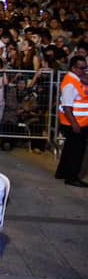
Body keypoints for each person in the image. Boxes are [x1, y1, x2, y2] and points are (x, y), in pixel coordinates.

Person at [54, 55, 88, 187]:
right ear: (73, 68)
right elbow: (67, 107)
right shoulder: (70, 84)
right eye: (81, 68)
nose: (84, 70)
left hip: (77, 122)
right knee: (76, 152)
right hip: (75, 123)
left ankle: (62, 172)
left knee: (69, 149)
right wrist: (74, 124)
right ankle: (72, 177)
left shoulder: (76, 79)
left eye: (85, 67)